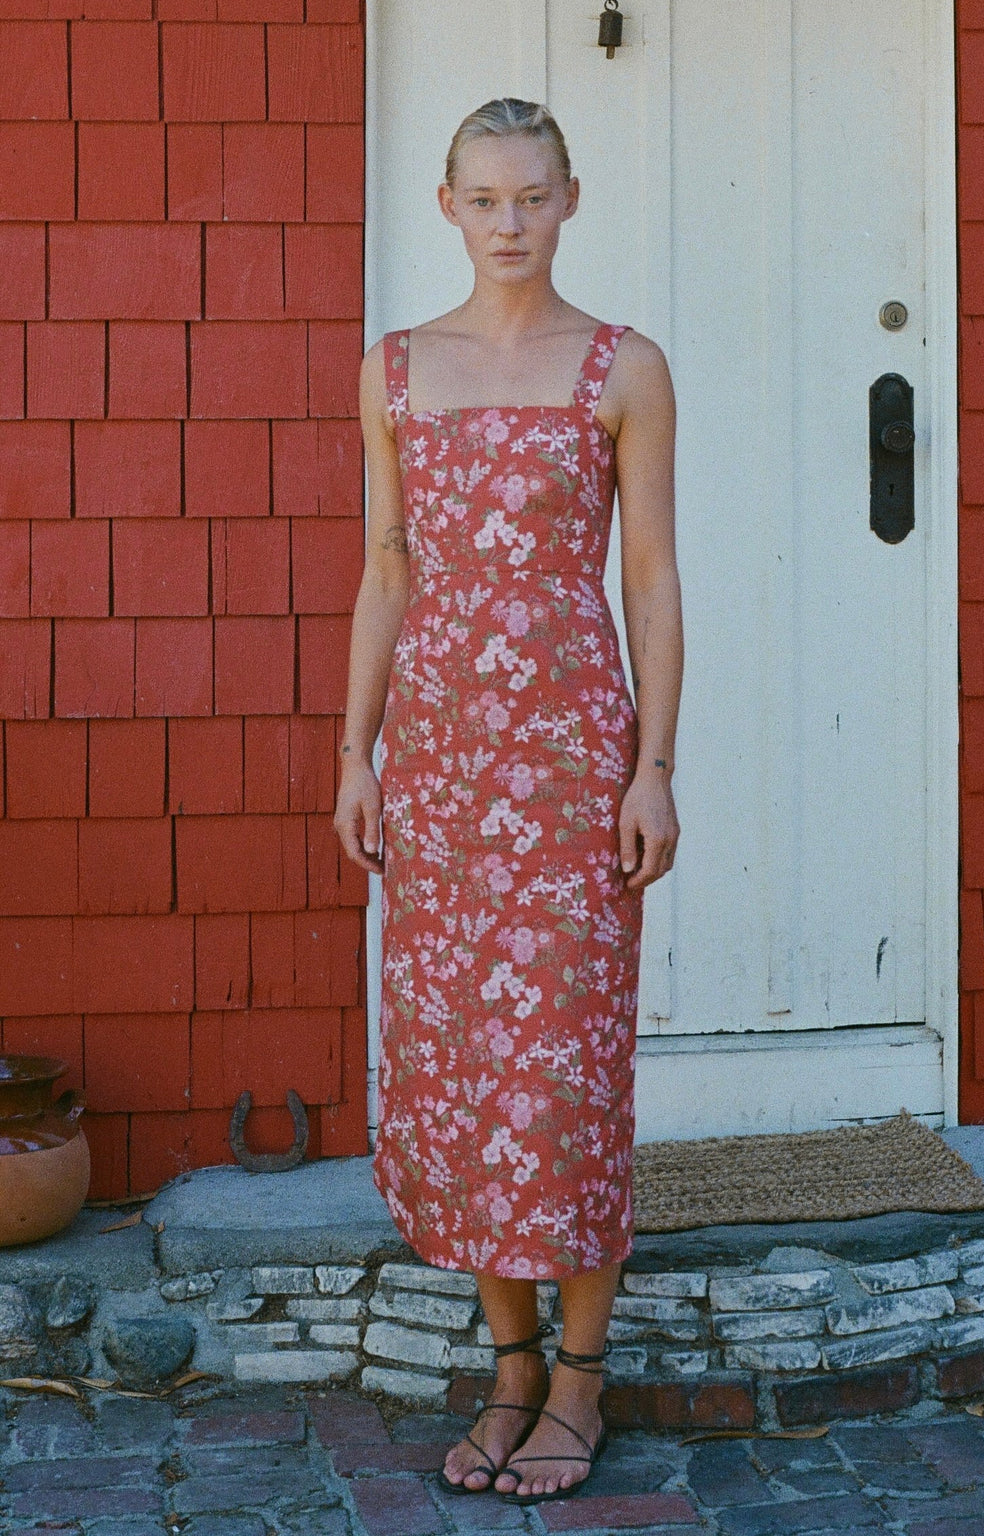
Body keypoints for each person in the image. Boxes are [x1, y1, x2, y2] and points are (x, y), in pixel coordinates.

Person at [334, 97, 682, 1505]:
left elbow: (649, 575)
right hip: (439, 771)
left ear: (571, 197)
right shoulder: (395, 369)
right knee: (469, 1069)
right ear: (447, 205)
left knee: (564, 1072)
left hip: (572, 769)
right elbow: (387, 568)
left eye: (533, 195)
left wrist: (654, 766)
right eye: (485, 198)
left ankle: (582, 1381)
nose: (510, 223)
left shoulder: (623, 367)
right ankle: (511, 1370)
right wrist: (354, 752)